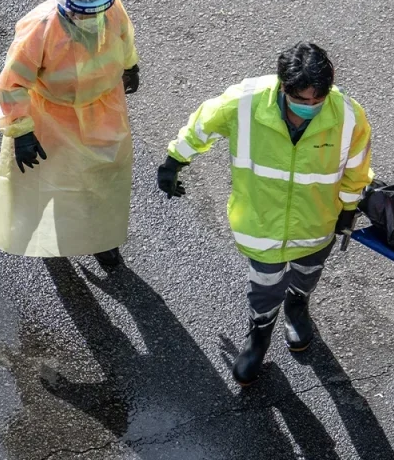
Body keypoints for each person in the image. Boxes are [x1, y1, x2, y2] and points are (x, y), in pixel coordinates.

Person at [157, 42, 373, 385]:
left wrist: (349, 209)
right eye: (301, 100)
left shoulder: (348, 116)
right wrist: (174, 161)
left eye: (318, 100)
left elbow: (356, 168)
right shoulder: (245, 102)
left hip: (317, 223)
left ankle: (297, 305)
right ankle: (259, 333)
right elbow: (203, 124)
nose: (310, 107)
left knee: (308, 272)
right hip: (261, 224)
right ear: (283, 87)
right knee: (264, 285)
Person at [0, 0, 140, 268]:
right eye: (85, 14)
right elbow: (12, 84)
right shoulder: (41, 28)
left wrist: (130, 65)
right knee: (51, 182)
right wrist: (22, 131)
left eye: (99, 13)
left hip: (102, 109)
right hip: (52, 116)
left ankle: (101, 238)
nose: (94, 20)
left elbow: (124, 37)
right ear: (68, 8)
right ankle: (49, 238)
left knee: (105, 177)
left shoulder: (112, 10)